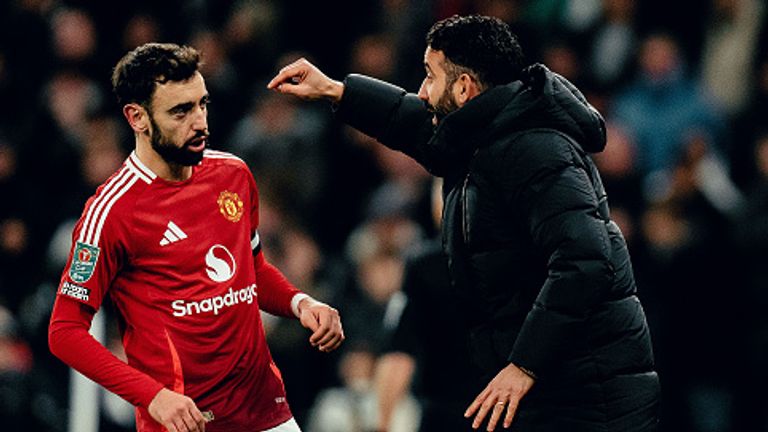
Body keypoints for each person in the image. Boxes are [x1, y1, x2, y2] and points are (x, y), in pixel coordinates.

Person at [269, 14, 659, 432]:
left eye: (429, 76)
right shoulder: (485, 136)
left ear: (463, 88)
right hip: (553, 387)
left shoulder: (537, 149)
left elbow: (585, 260)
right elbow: (414, 123)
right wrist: (336, 90)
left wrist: (524, 365)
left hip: (589, 396)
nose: (421, 90)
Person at [48, 42, 345, 432]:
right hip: (185, 423)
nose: (201, 122)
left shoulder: (233, 175)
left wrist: (299, 302)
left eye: (202, 104)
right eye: (181, 111)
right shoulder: (111, 212)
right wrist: (152, 396)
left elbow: (250, 269)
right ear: (137, 117)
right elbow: (64, 332)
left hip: (267, 411)